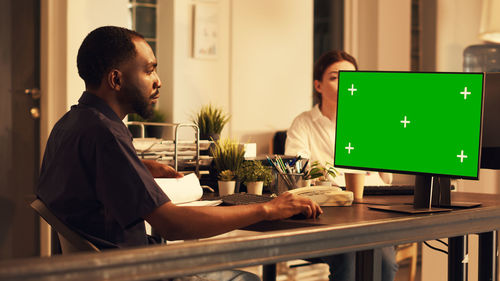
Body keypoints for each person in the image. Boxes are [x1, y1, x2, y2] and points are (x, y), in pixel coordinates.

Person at [36, 26, 321, 281]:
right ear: (116, 79)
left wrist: (139, 166)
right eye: (148, 70)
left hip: (102, 267)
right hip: (133, 271)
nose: (158, 81)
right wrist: (267, 208)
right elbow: (172, 225)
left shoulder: (71, 123)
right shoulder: (106, 134)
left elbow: (86, 180)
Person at [285, 50, 398, 281]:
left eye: (351, 77)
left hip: (370, 209)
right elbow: (296, 172)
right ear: (318, 85)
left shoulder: (371, 122)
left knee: (384, 262)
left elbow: (386, 179)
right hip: (327, 213)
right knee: (349, 258)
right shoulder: (304, 123)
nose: (346, 83)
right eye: (335, 77)